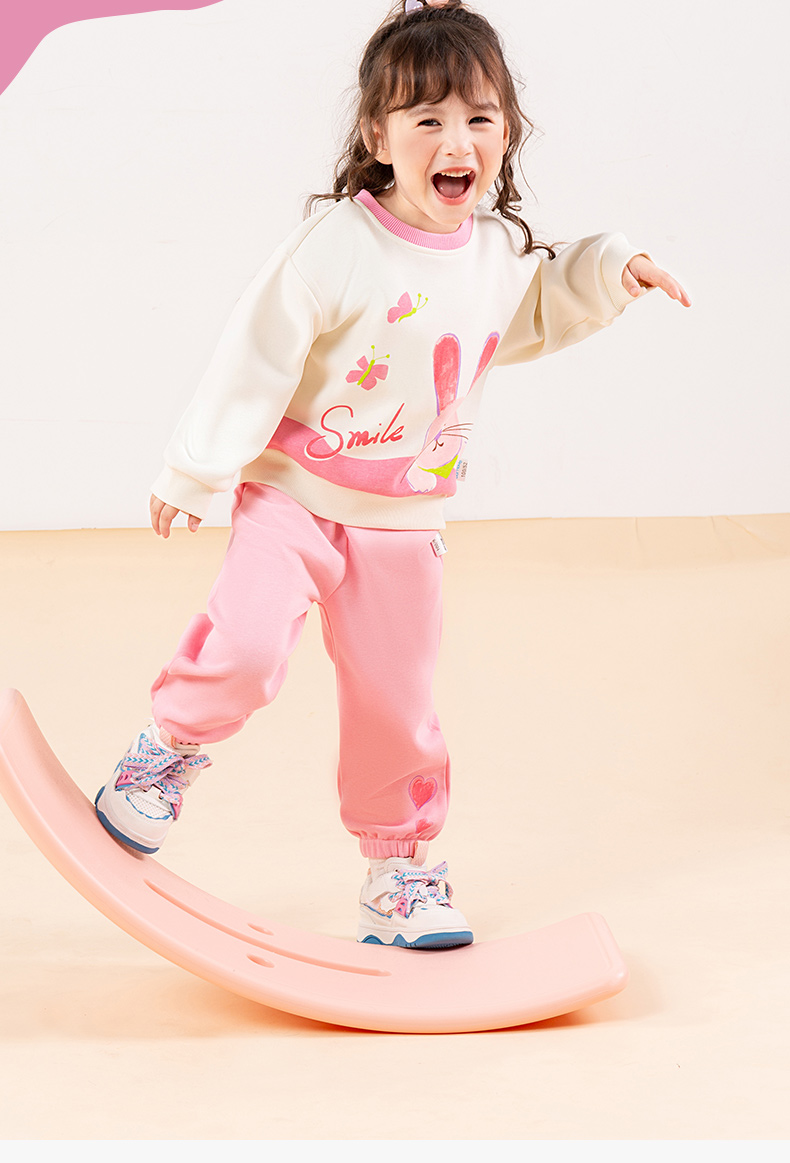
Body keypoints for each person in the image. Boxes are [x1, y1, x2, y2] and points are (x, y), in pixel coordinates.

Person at [94, 0, 689, 949]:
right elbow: (257, 350)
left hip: (405, 526)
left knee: (397, 708)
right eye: (427, 119)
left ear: (506, 134)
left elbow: (536, 303)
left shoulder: (494, 254)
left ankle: (397, 874)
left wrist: (617, 267)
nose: (457, 142)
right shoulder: (338, 242)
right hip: (293, 498)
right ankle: (163, 755)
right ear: (378, 135)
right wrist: (195, 468)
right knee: (244, 648)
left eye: (480, 118)